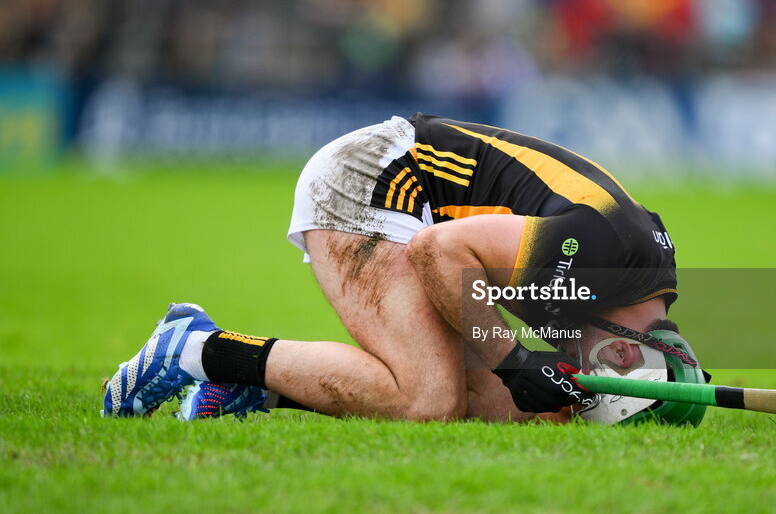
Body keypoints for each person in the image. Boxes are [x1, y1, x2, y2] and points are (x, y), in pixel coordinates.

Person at [102, 114, 707, 425]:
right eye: (606, 389)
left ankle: (254, 391)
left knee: (519, 410)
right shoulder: (594, 252)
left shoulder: (643, 282)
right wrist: (517, 361)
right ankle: (195, 349)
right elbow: (439, 253)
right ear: (625, 355)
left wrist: (534, 383)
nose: (591, 387)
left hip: (423, 209)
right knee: (429, 398)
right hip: (376, 178)